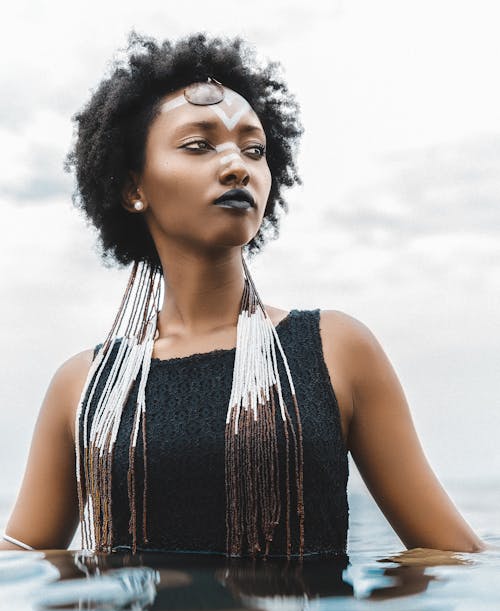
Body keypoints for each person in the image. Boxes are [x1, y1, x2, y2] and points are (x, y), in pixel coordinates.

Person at [0, 33, 487, 559]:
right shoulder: (84, 385)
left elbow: (451, 555)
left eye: (254, 149)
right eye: (198, 145)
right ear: (133, 188)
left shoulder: (336, 349)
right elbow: (20, 564)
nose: (238, 165)